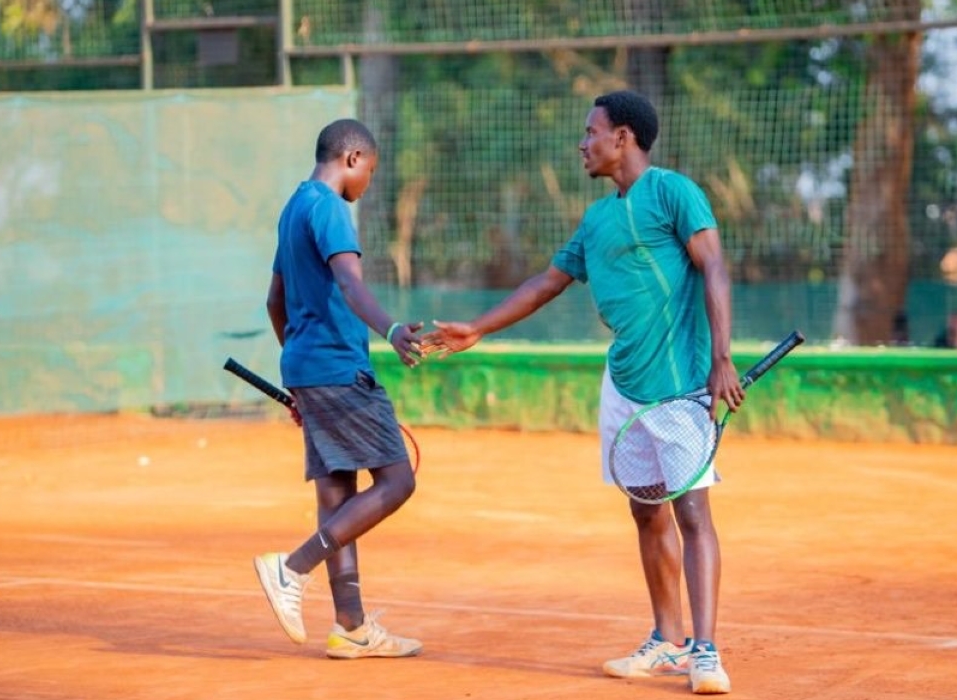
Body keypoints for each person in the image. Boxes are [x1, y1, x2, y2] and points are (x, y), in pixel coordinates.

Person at [421, 90, 743, 695]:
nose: (582, 143)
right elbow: (548, 283)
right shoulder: (595, 220)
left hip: (678, 387)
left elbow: (715, 267)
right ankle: (666, 641)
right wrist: (476, 329)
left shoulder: (674, 191)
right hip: (623, 385)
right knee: (645, 511)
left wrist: (721, 358)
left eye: (591, 132)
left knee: (692, 513)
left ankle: (706, 651)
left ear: (623, 137)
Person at [254, 118, 424, 659]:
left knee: (337, 496)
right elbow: (350, 281)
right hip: (339, 368)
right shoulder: (330, 207)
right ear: (352, 158)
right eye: (369, 172)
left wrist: (298, 375)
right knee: (398, 482)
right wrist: (392, 329)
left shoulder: (292, 207)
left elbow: (274, 302)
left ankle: (350, 626)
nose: (367, 183)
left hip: (307, 366)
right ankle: (291, 567)